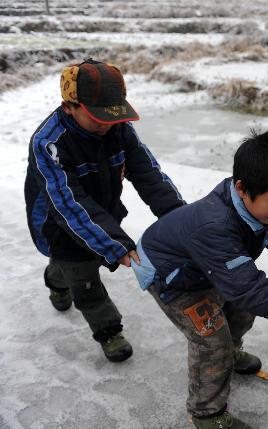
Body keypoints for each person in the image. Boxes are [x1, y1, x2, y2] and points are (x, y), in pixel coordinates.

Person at [132, 130, 268, 429]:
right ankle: (206, 412)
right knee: (212, 340)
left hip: (212, 268)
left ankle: (230, 355)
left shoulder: (263, 212)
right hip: (171, 276)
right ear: (242, 188)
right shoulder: (215, 226)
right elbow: (250, 289)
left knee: (241, 312)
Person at [24, 58, 185, 363]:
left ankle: (57, 276)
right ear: (69, 106)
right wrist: (118, 246)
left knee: (83, 261)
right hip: (60, 226)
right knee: (83, 276)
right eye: (98, 117)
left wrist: (180, 217)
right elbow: (70, 205)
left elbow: (148, 173)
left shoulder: (118, 129)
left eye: (114, 116)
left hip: (103, 211)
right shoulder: (49, 143)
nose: (107, 124)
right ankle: (108, 331)